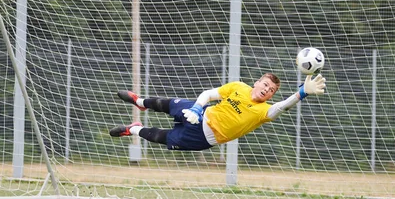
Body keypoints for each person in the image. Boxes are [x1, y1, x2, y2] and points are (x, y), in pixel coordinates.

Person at [110, 73, 326, 151]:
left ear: (271, 96)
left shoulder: (264, 111)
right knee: (167, 103)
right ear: (257, 82)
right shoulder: (239, 87)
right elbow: (208, 94)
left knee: (161, 137)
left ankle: (135, 130)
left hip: (204, 137)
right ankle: (140, 102)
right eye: (265, 84)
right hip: (201, 114)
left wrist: (302, 93)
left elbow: (282, 106)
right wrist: (197, 107)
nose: (266, 90)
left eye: (271, 91)